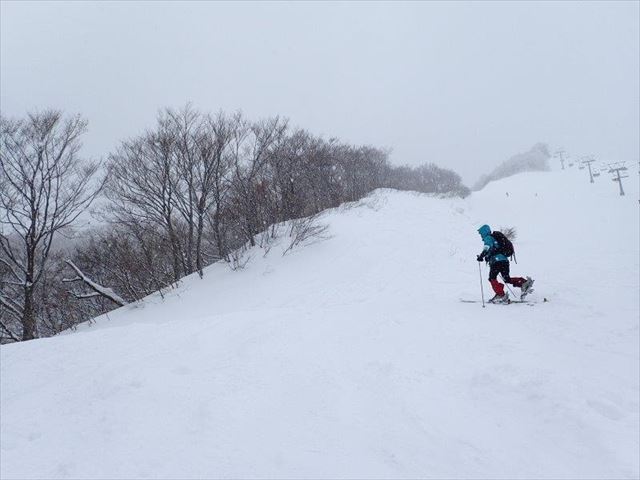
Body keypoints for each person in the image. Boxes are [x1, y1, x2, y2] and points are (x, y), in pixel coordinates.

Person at [476, 224, 534, 303]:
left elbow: (487, 247)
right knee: (506, 278)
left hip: (497, 262)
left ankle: (501, 295)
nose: (480, 235)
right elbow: (493, 250)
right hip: (504, 261)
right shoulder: (495, 238)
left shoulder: (488, 238)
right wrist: (487, 257)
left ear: (484, 232)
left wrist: (481, 256)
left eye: (481, 233)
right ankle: (524, 283)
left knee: (492, 278)